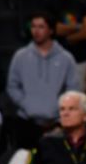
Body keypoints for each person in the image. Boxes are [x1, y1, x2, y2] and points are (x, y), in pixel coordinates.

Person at [6, 12, 79, 149]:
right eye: (33, 26)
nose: (36, 31)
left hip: (56, 124)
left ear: (51, 30)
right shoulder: (20, 56)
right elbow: (12, 86)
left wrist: (61, 109)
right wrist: (26, 103)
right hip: (26, 122)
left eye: (41, 27)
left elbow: (73, 88)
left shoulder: (65, 58)